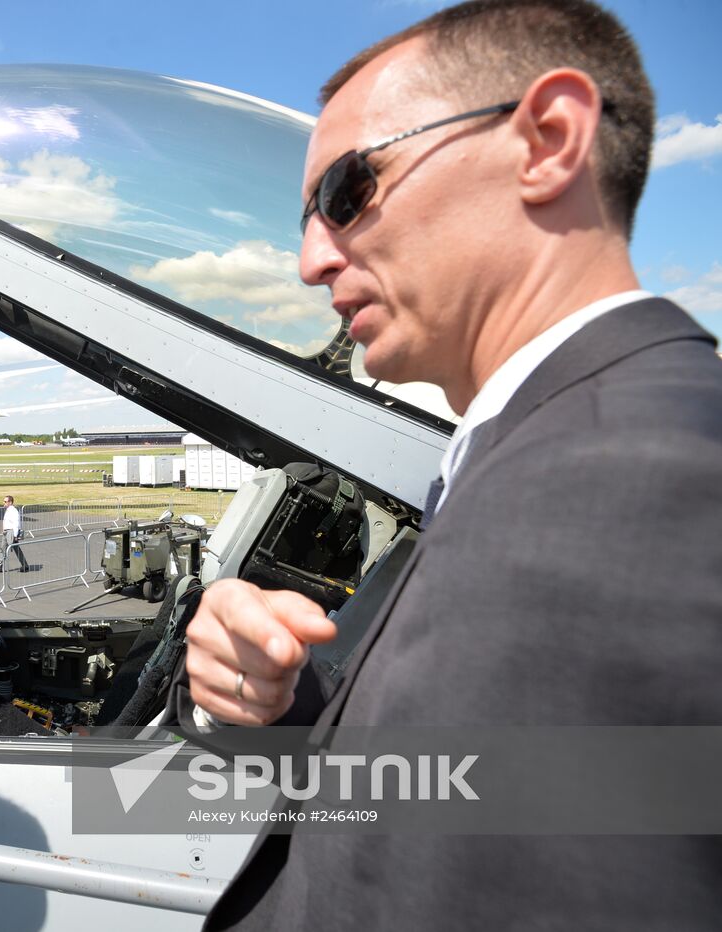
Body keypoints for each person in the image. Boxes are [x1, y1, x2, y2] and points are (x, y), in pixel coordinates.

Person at [177, 1, 722, 928]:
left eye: (348, 191)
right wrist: (265, 694)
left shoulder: (642, 490)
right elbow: (459, 784)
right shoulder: (533, 454)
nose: (311, 259)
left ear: (546, 141)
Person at [0, 493, 31, 573]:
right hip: (6, 532)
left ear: (10, 502)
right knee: (3, 548)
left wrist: (15, 535)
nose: (4, 503)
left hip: (11, 532)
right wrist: (3, 530)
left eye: (5, 501)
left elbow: (16, 524)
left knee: (16, 549)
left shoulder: (13, 511)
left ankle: (25, 565)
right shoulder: (8, 510)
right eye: (4, 501)